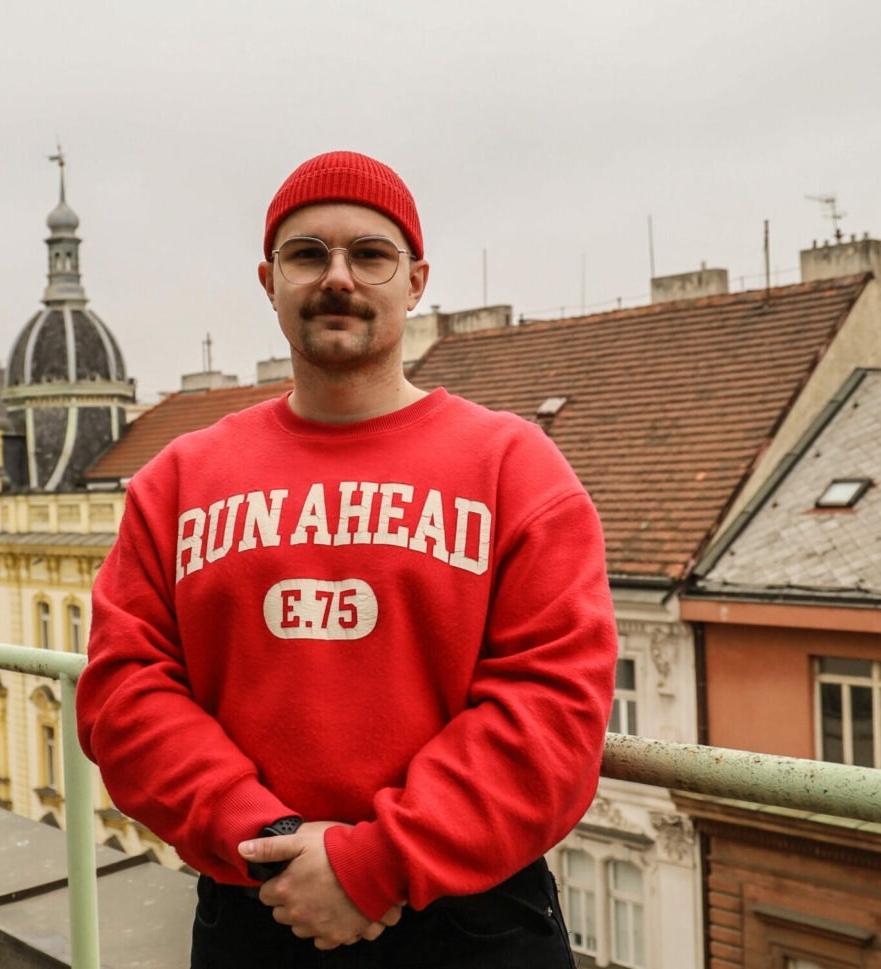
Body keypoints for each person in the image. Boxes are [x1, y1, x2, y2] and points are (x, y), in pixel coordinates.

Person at [76, 150, 618, 968]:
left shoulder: (516, 469)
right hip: (260, 901)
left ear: (416, 280)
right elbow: (125, 693)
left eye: (370, 254)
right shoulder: (177, 482)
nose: (338, 277)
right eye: (307, 254)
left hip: (472, 918)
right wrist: (268, 836)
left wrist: (375, 863)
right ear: (270, 282)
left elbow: (554, 707)